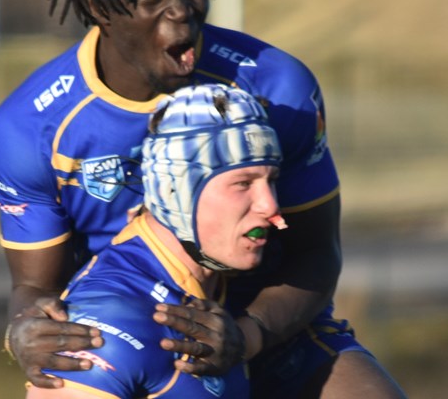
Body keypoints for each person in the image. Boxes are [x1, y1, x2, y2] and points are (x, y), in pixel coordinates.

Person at [0, 0, 406, 399]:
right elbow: (34, 287)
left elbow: (315, 253)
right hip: (137, 331)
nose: (181, 11)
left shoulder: (274, 86)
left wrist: (248, 334)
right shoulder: (32, 128)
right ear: (98, 6)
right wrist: (22, 331)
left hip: (267, 322)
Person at [24, 83, 284, 398]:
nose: (270, 206)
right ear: (174, 191)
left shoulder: (222, 279)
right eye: (243, 183)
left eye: (271, 181)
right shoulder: (104, 331)